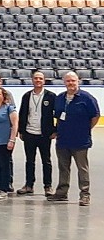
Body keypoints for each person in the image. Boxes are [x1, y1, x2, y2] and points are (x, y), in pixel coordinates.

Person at [48, 72, 100, 206]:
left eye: (73, 81)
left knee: (82, 169)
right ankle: (61, 193)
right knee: (63, 168)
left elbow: (95, 116)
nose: (71, 83)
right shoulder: (60, 98)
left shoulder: (87, 98)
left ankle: (85, 195)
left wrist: (86, 129)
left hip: (80, 141)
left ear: (78, 81)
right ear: (64, 82)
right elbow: (58, 116)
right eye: (68, 81)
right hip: (63, 140)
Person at [17, 71, 56, 197]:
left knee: (46, 161)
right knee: (29, 161)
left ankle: (48, 186)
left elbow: (58, 114)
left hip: (45, 134)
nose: (38, 80)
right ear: (32, 80)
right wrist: (21, 131)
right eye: (36, 78)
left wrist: (55, 130)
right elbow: (22, 113)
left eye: (40, 78)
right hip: (29, 133)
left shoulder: (51, 96)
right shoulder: (27, 96)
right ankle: (29, 185)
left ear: (44, 81)